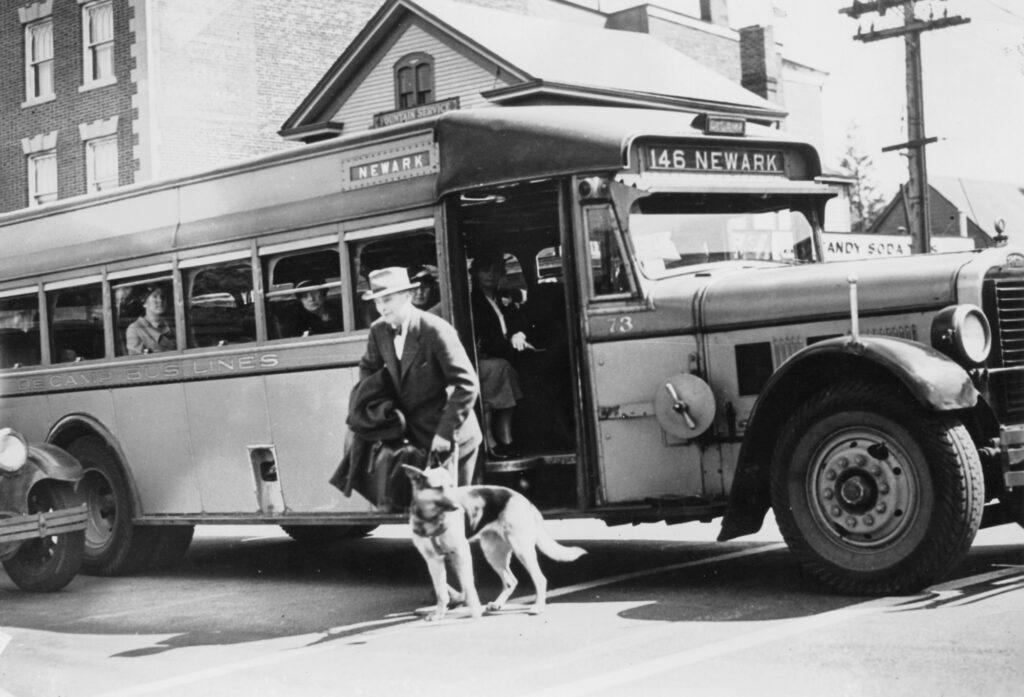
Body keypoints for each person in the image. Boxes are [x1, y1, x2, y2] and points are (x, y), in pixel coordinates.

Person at [356, 267, 482, 485]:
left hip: (452, 439)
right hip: (414, 440)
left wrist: (445, 433)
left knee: (452, 510)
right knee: (424, 511)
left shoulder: (436, 329)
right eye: (377, 302)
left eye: (388, 300)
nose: (382, 308)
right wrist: (381, 406)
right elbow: (368, 368)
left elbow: (466, 384)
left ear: (408, 296)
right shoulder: (378, 330)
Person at [470, 253, 534, 459]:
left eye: (495, 270)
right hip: (481, 357)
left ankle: (511, 434)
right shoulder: (472, 302)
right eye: (485, 270)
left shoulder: (502, 297)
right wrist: (511, 345)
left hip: (502, 353)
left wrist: (519, 333)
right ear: (475, 274)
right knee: (502, 369)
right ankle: (497, 436)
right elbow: (486, 339)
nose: (491, 274)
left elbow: (520, 321)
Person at [126, 285, 175, 355]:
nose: (160, 300)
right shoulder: (134, 329)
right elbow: (140, 359)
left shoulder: (172, 325)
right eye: (155, 296)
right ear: (144, 303)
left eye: (163, 297)